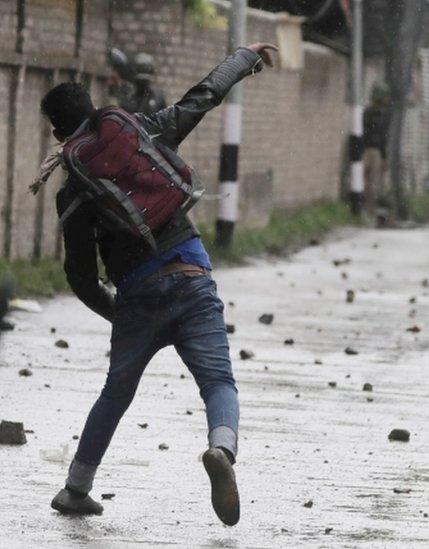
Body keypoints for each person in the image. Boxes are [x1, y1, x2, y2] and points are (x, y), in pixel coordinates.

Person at [39, 42, 278, 525]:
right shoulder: (142, 132)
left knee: (115, 394)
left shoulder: (75, 190)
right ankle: (221, 449)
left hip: (137, 292)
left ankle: (76, 489)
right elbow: (201, 98)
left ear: (58, 132)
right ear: (98, 113)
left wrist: (121, 312)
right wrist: (242, 57)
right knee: (218, 380)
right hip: (190, 271)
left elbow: (80, 277)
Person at [362, 84, 390, 214]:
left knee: (367, 181)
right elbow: (383, 137)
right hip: (374, 150)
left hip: (366, 149)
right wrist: (384, 157)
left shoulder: (367, 112)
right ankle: (370, 209)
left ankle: (367, 209)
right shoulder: (380, 114)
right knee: (372, 182)